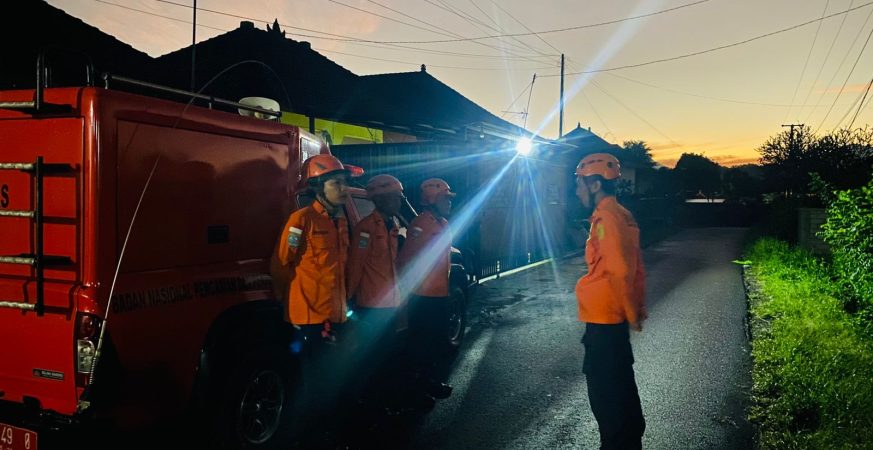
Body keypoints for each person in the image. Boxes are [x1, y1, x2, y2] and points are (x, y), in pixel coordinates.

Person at [574, 153, 647, 450]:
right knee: (622, 398)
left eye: (579, 184)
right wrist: (635, 307)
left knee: (609, 403)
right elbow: (636, 268)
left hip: (605, 322)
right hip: (611, 322)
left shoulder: (605, 218)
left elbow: (618, 269)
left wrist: (629, 311)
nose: (576, 191)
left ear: (594, 185)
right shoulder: (621, 215)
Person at [273, 153, 352, 428]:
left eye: (344, 183)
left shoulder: (339, 221)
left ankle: (324, 429)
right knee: (312, 383)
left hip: (333, 315)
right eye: (336, 184)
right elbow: (282, 263)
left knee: (330, 377)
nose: (344, 189)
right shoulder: (301, 220)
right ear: (319, 188)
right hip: (308, 318)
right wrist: (287, 304)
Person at [346, 174, 407, 408]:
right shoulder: (366, 229)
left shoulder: (393, 226)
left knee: (388, 356)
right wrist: (349, 300)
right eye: (395, 198)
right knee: (371, 357)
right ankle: (365, 401)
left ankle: (383, 398)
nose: (399, 202)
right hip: (371, 306)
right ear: (381, 200)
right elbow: (356, 266)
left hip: (390, 304)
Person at [396, 178, 456, 403]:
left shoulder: (442, 223)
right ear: (432, 200)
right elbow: (406, 261)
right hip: (422, 297)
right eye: (445, 199)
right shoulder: (420, 225)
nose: (449, 203)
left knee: (435, 344)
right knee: (419, 347)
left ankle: (430, 383)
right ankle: (416, 391)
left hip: (439, 294)